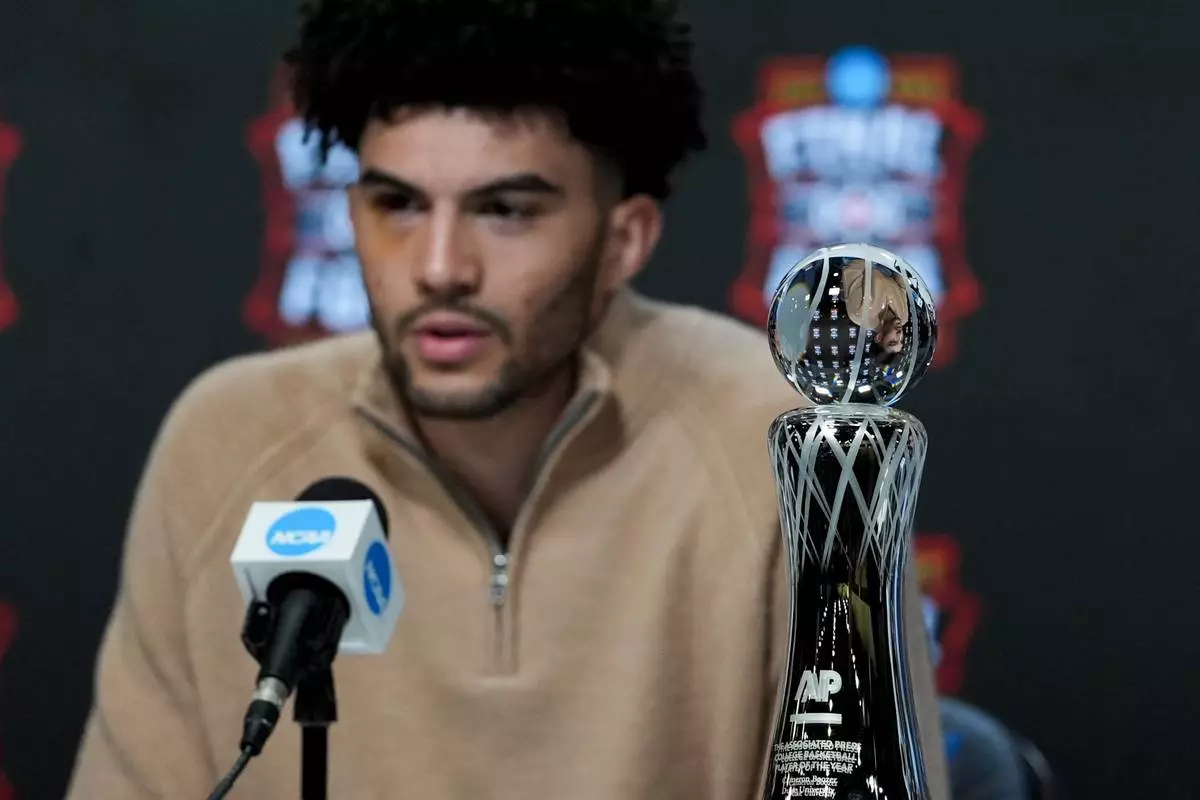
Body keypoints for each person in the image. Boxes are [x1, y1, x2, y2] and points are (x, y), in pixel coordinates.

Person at [65, 1, 949, 798]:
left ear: (624, 239)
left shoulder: (791, 448)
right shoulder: (226, 440)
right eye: (397, 204)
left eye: (506, 211)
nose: (441, 267)